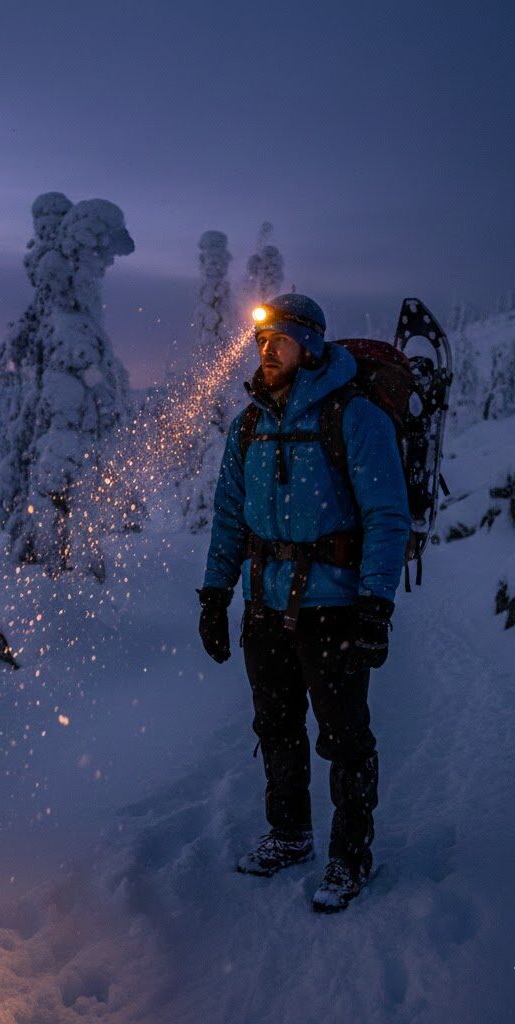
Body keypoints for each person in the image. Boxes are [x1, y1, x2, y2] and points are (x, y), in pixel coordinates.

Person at [197, 292, 410, 913]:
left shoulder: (356, 416)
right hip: (264, 606)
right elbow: (228, 517)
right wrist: (215, 595)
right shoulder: (250, 422)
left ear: (310, 346)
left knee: (345, 736)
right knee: (277, 726)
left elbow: (387, 516)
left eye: (280, 340)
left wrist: (375, 605)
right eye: (262, 341)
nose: (268, 351)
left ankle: (350, 856)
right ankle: (290, 834)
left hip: (334, 607)